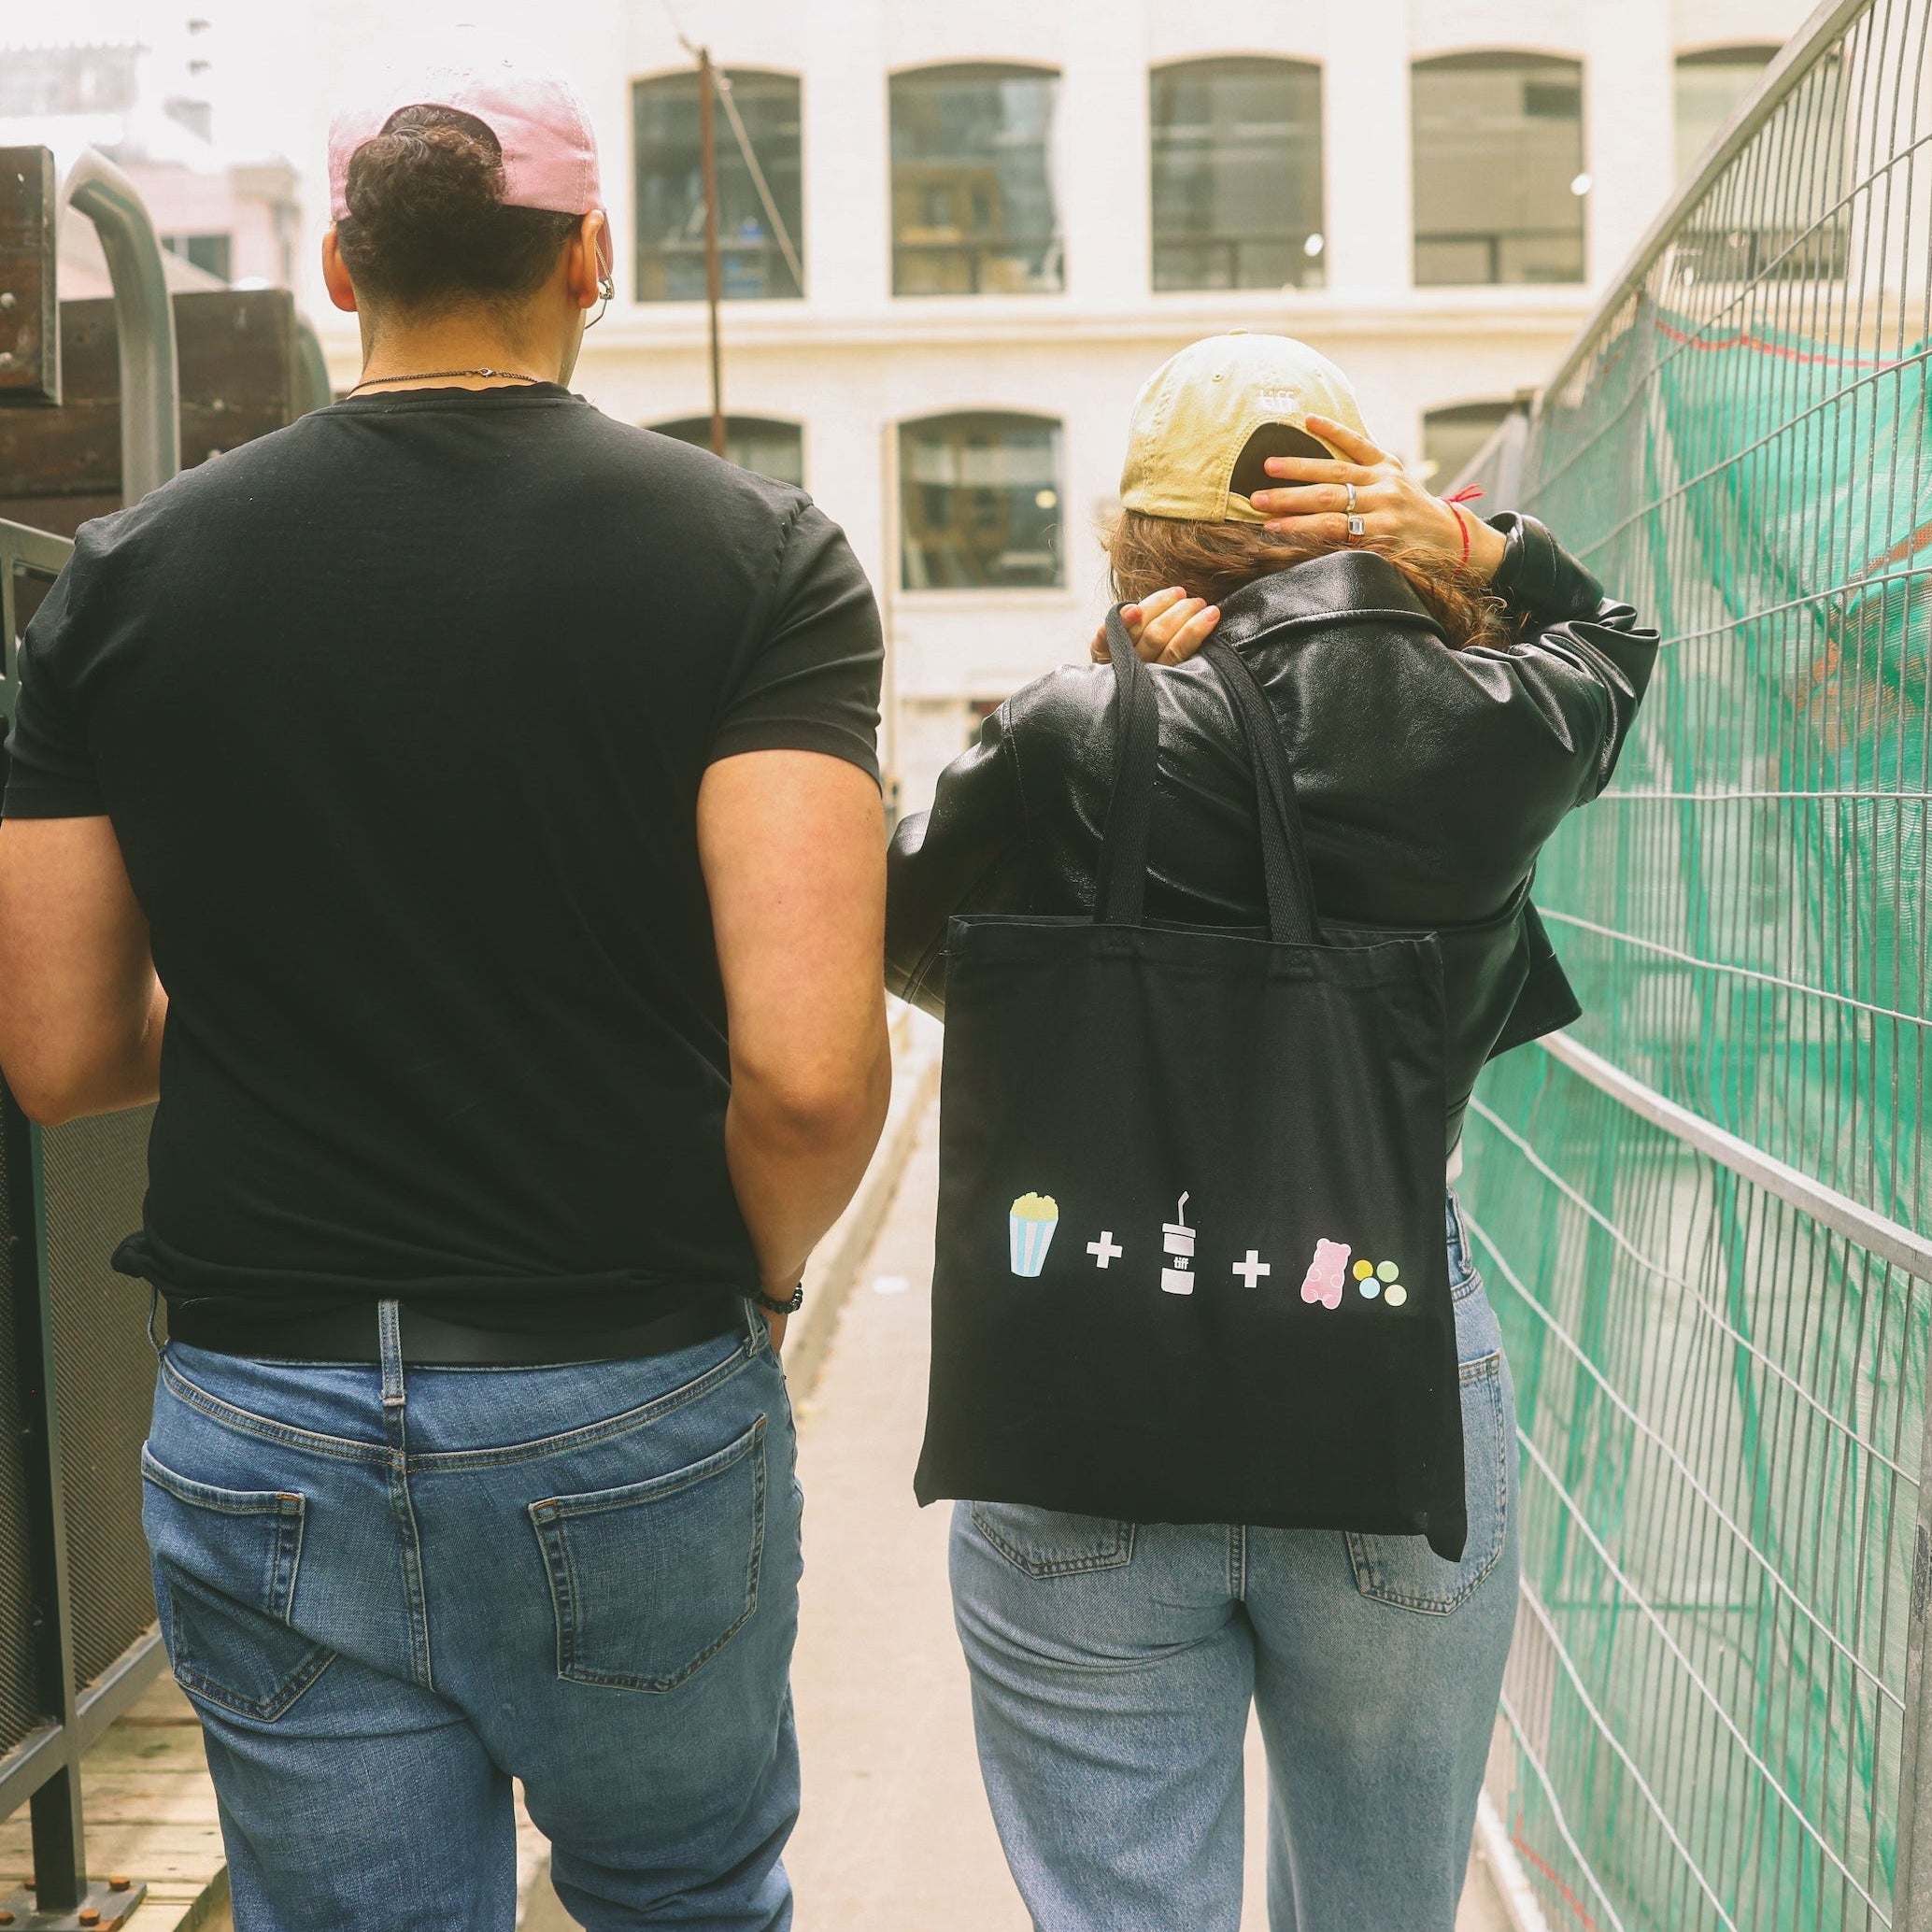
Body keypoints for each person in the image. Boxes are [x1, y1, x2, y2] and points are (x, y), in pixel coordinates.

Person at [0, 62, 890, 1932]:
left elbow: (63, 1053)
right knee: (683, 1896)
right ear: (592, 259)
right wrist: (754, 1272)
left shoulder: (120, 581)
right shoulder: (755, 562)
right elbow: (809, 1071)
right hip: (622, 1365)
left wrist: (273, 1022)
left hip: (262, 1393)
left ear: (339, 270)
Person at [884, 332, 1658, 1931]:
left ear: (1144, 545)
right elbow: (1616, 641)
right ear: (1364, 515)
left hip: (1089, 1359)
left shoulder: (1080, 727)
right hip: (1381, 1363)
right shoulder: (1499, 728)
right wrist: (1468, 544)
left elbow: (911, 934)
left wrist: (1112, 682)